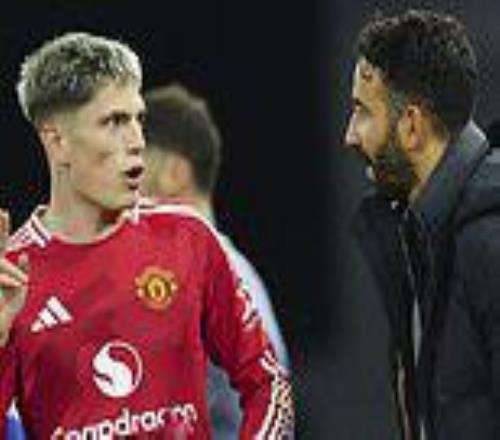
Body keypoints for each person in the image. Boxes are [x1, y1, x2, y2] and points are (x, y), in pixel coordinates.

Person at [0, 31, 294, 438]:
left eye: (137, 118)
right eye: (114, 122)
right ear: (58, 141)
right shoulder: (12, 277)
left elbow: (268, 382)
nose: (137, 141)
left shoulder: (188, 240)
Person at [345, 8, 498, 440]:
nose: (350, 136)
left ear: (411, 126)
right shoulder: (421, 237)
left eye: (362, 112)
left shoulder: (489, 240)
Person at [141, 83, 290, 438]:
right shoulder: (201, 275)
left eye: (134, 166)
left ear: (174, 173)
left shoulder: (216, 277)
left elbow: (269, 405)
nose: (121, 187)